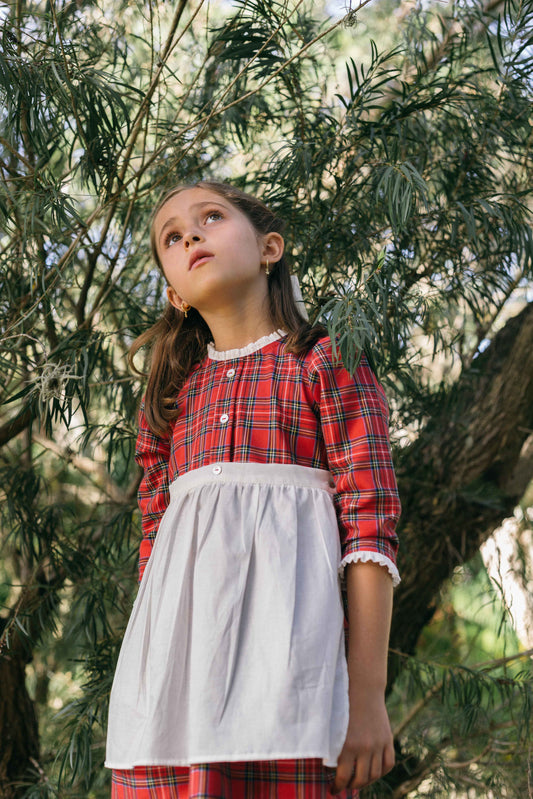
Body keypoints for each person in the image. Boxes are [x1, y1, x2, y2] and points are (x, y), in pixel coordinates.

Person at [105, 181, 401, 799]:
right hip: (175, 706)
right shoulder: (169, 403)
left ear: (270, 248)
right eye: (172, 236)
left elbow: (369, 530)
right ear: (172, 291)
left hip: (289, 697)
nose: (189, 234)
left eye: (210, 217)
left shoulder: (325, 362)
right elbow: (155, 562)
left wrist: (366, 697)